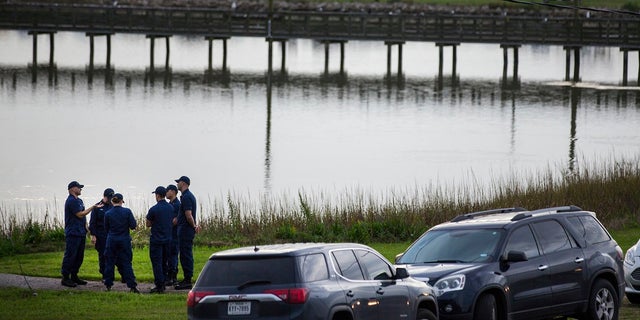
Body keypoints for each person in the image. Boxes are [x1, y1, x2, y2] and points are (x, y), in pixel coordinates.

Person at [61, 180, 102, 288]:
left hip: (81, 232)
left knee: (79, 256)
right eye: (78, 187)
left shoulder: (79, 201)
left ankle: (74, 275)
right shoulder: (71, 201)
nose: (80, 189)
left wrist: (88, 230)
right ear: (72, 189)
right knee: (71, 255)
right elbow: (80, 214)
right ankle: (65, 277)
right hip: (73, 232)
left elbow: (83, 217)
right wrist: (93, 207)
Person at [103, 193, 139, 293]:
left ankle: (108, 285)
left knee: (110, 263)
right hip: (124, 240)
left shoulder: (108, 213)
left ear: (112, 201)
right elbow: (133, 225)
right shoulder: (127, 212)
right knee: (127, 263)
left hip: (111, 240)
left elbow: (106, 229)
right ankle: (132, 286)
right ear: (121, 201)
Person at [146, 186, 174, 293]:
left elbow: (148, 224)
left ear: (157, 195)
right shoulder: (171, 208)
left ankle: (159, 285)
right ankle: (164, 282)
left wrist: (155, 222)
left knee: (156, 262)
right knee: (164, 262)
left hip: (156, 240)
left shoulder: (153, 209)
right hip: (168, 239)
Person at [174, 175, 197, 290]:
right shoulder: (186, 196)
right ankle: (186, 278)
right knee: (184, 254)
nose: (177, 184)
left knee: (185, 255)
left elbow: (188, 215)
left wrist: (194, 226)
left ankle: (187, 280)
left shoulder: (187, 197)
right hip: (184, 230)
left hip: (185, 231)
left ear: (183, 183)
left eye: (178, 182)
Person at [89, 188, 114, 278]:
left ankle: (110, 274)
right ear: (104, 197)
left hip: (111, 234)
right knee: (103, 255)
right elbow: (92, 222)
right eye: (109, 197)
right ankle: (104, 274)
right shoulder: (97, 207)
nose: (111, 199)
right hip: (100, 234)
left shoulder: (113, 206)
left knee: (112, 255)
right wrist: (93, 235)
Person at [165, 184, 181, 287]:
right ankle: (169, 277)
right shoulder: (170, 204)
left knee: (173, 256)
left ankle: (173, 278)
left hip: (174, 235)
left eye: (167, 191)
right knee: (168, 256)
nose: (166, 193)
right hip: (169, 234)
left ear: (173, 191)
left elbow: (175, 221)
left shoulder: (177, 205)